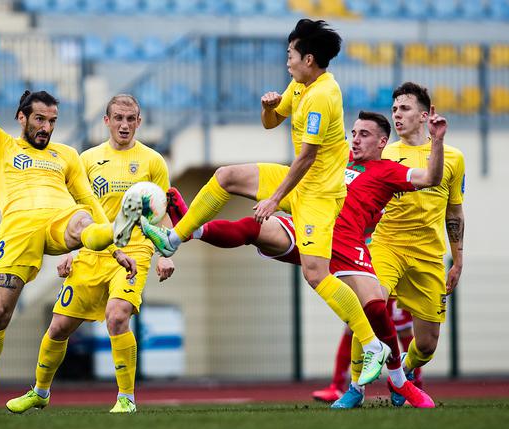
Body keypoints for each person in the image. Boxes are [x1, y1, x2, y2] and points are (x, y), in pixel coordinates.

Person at [144, 18, 389, 385]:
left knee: (316, 274)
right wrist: (268, 106)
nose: (286, 59)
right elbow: (272, 123)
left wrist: (274, 199)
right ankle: (175, 238)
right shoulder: (301, 84)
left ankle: (372, 346)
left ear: (308, 58)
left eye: (290, 53)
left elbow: (306, 158)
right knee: (226, 176)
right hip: (299, 181)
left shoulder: (323, 94)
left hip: (318, 195)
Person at [151, 109, 447, 408]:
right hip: (310, 227)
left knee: (374, 306)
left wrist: (436, 141)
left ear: (383, 142)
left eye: (364, 135)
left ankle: (398, 381)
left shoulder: (388, 170)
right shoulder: (338, 157)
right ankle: (193, 230)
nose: (355, 140)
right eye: (353, 133)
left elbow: (431, 177)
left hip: (346, 243)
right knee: (254, 228)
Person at [0, 17, 142, 416]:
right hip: (19, 229)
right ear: (23, 118)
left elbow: (88, 203)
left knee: (81, 222)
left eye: (52, 122)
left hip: (61, 219)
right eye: (40, 120)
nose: (46, 128)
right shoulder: (1, 145)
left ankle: (121, 395)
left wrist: (112, 244)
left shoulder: (67, 156)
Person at [5, 95, 174, 415]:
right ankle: (40, 391)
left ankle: (126, 398)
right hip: (93, 251)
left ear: (139, 122)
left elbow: (162, 212)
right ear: (106, 121)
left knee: (117, 315)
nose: (125, 125)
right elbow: (75, 210)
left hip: (135, 249)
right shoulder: (86, 159)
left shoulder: (153, 162)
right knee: (59, 327)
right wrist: (71, 250)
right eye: (118, 118)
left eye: (131, 119)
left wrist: (165, 253)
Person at [369, 82, 465, 406]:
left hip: (428, 254)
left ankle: (406, 371)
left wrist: (458, 259)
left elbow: (454, 209)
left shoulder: (453, 158)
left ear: (424, 115)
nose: (397, 114)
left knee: (427, 344)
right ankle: (354, 390)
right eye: (394, 109)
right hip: (388, 243)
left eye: (405, 108)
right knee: (371, 305)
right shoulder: (384, 153)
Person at [311, 297, 423, 403]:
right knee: (353, 327)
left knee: (404, 330)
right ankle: (337, 387)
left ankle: (415, 387)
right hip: (371, 283)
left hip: (394, 287)